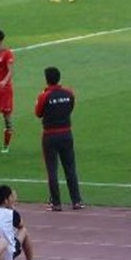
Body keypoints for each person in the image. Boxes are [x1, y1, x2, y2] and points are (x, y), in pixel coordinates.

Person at [35, 66, 84, 211]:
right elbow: (70, 107)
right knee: (70, 168)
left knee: (52, 170)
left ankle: (56, 203)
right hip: (67, 134)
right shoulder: (69, 93)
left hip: (50, 135)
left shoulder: (44, 96)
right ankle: (76, 200)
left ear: (47, 80)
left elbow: (38, 113)